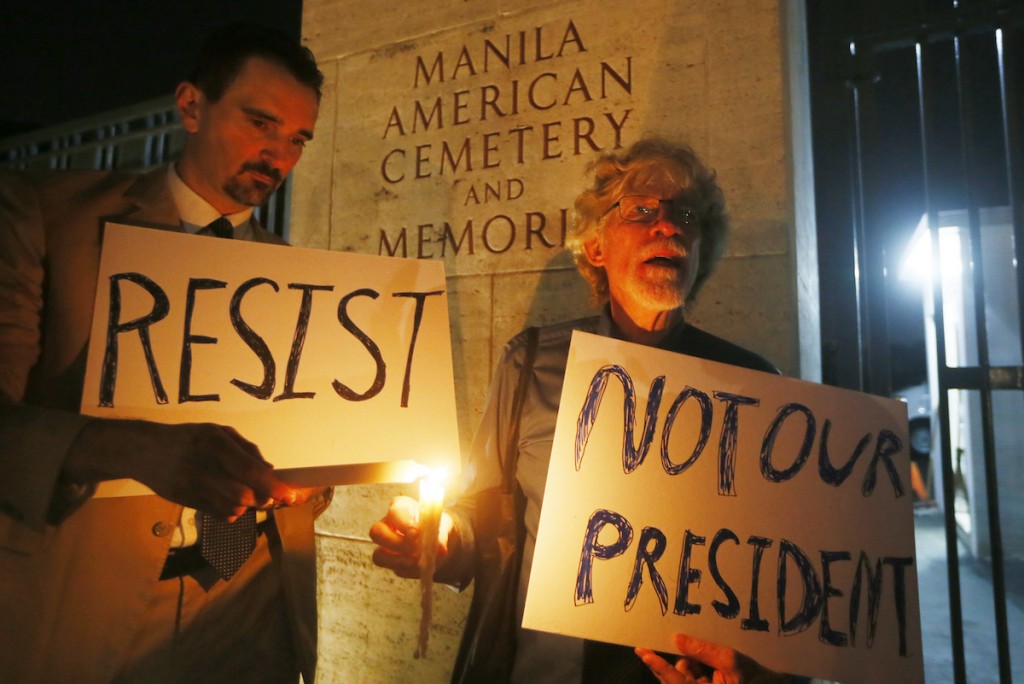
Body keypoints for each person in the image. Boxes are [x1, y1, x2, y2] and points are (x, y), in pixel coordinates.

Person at [370, 139, 792, 683]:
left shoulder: (754, 388)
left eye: (685, 215)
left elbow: (777, 578)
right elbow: (482, 521)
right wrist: (441, 540)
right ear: (596, 246)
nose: (669, 226)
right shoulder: (531, 364)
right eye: (641, 210)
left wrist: (760, 673)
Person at [0, 24, 330, 684]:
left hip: (252, 601)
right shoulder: (46, 212)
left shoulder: (300, 278)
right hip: (85, 607)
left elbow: (307, 459)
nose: (278, 154)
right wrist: (134, 449)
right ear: (190, 106)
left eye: (297, 138)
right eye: (260, 121)